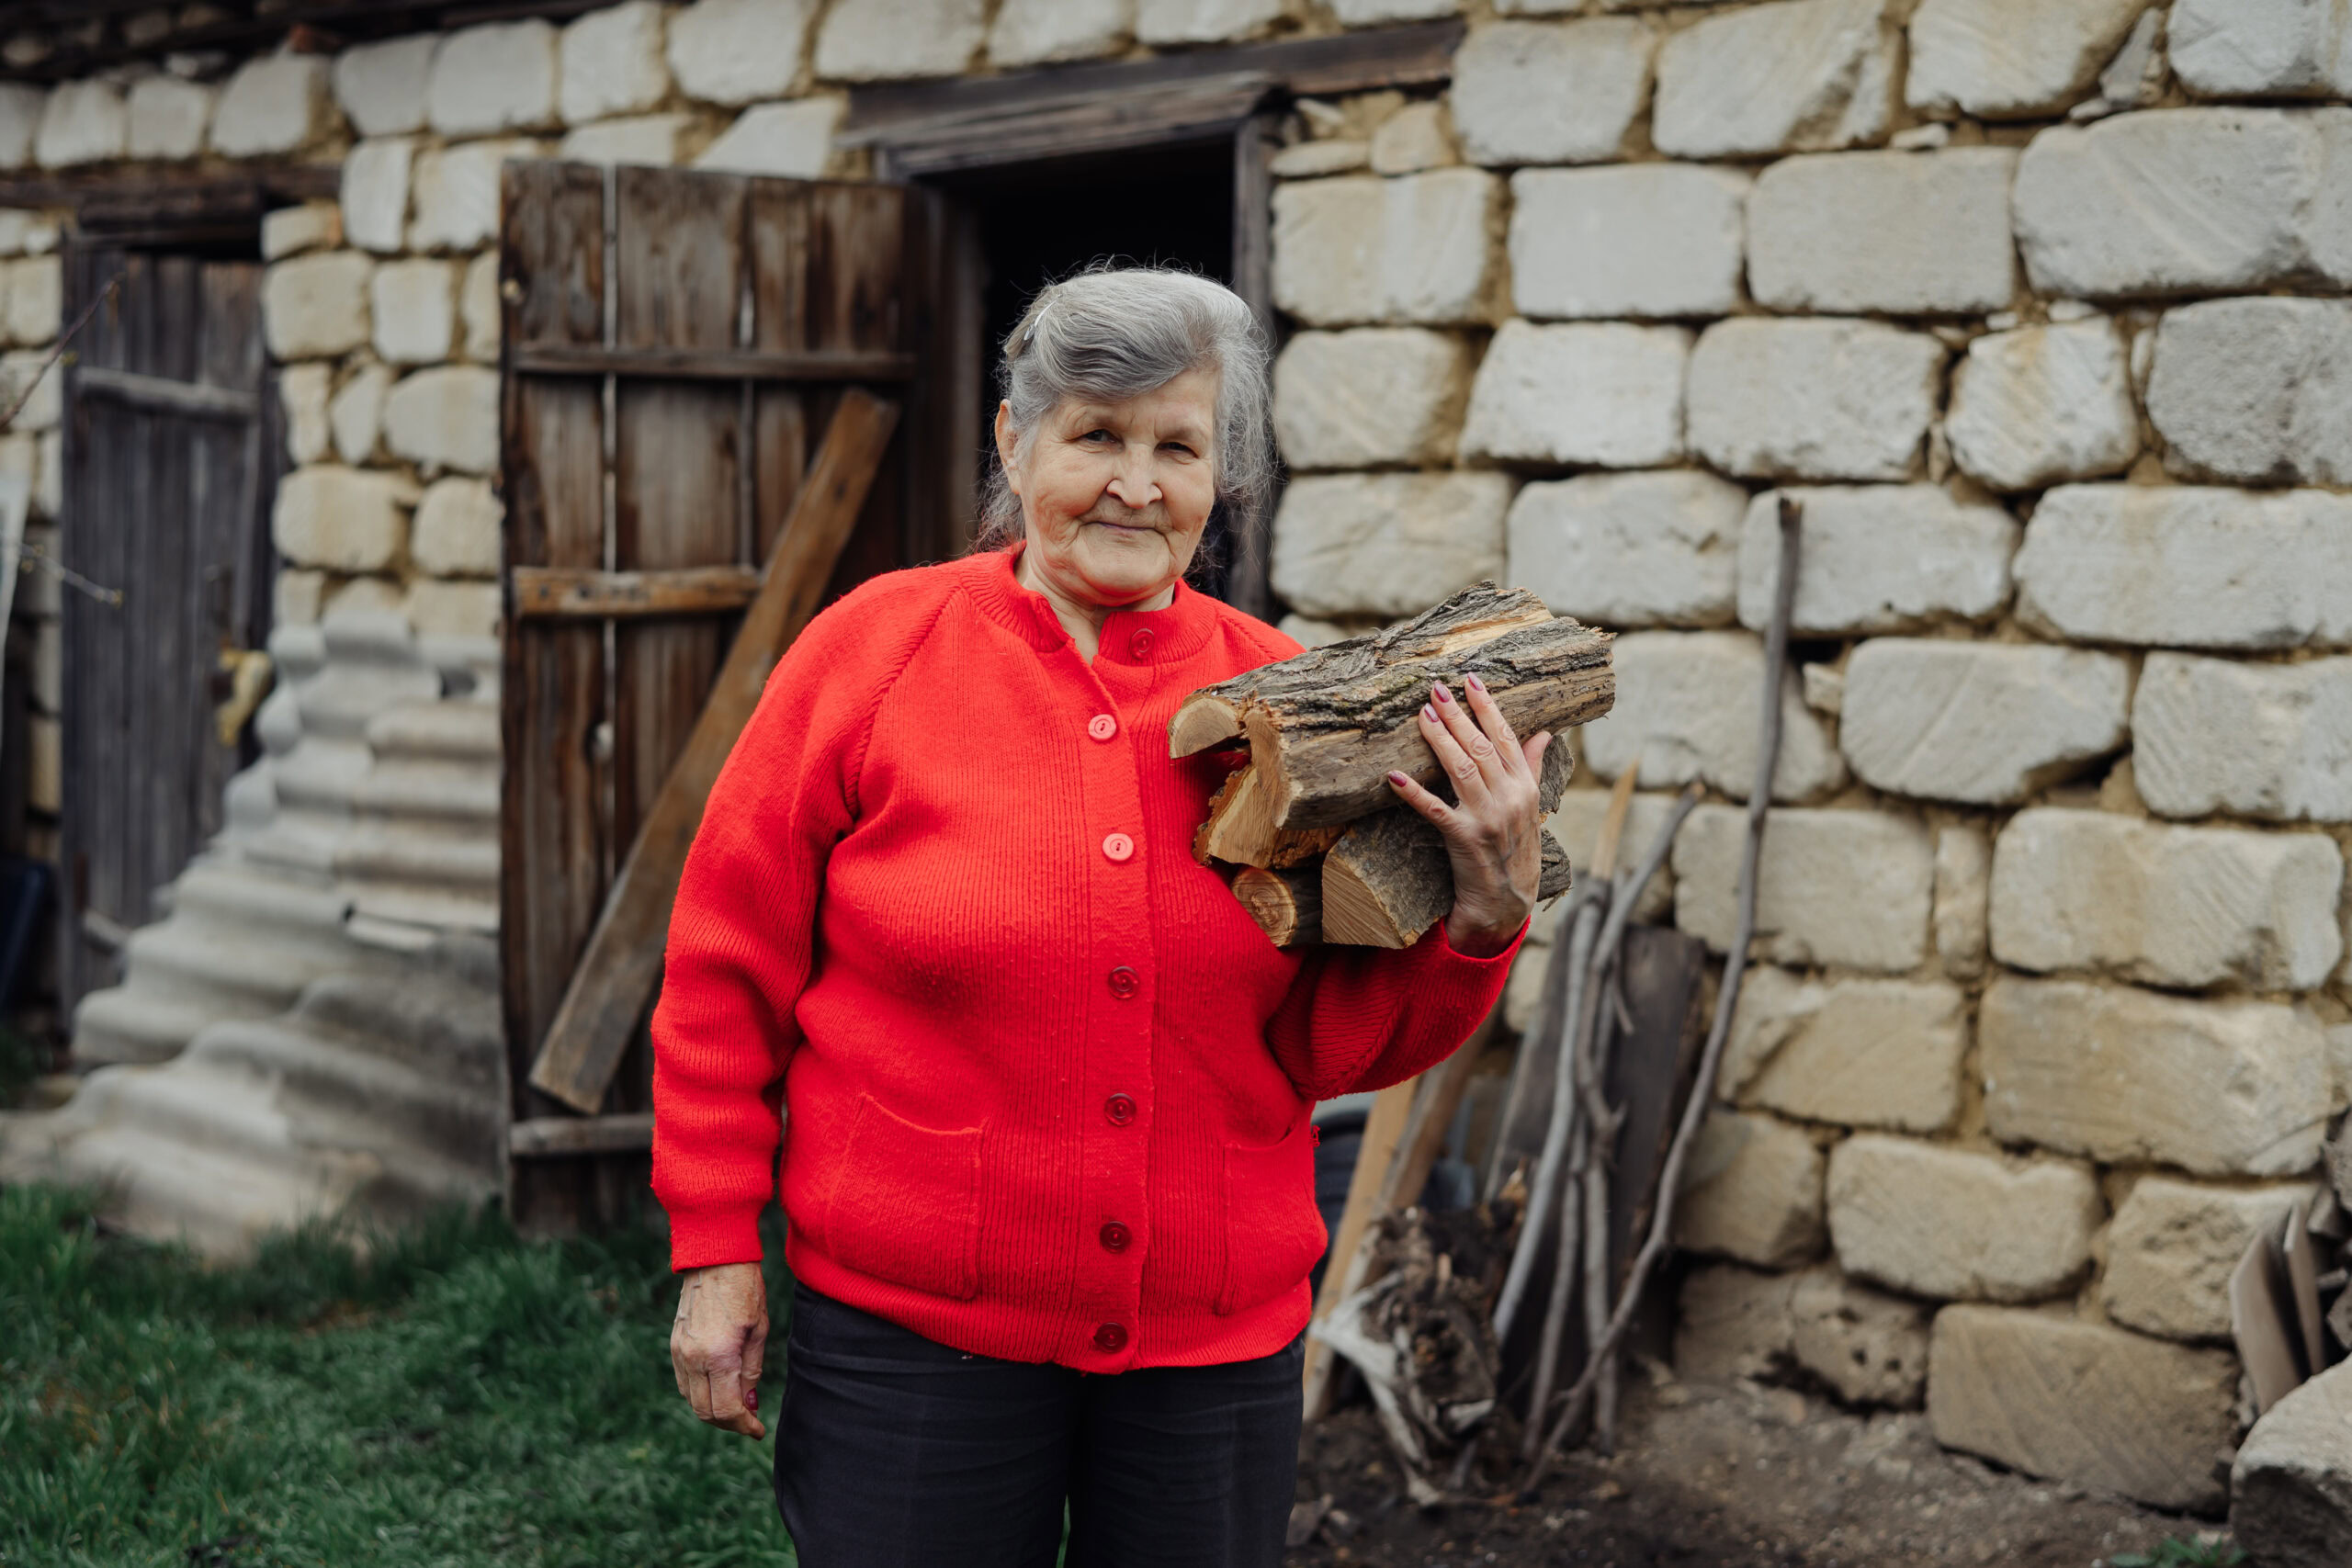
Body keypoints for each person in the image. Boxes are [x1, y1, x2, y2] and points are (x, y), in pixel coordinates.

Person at [653, 265, 1553, 1568]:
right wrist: (716, 1244)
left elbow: (1324, 1049)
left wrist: (1480, 918)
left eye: (1177, 446)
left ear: (1219, 480)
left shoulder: (1292, 705)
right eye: (1097, 436)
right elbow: (723, 965)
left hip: (1212, 1347)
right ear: (1016, 446)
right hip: (917, 1339)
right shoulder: (874, 654)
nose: (1137, 482)